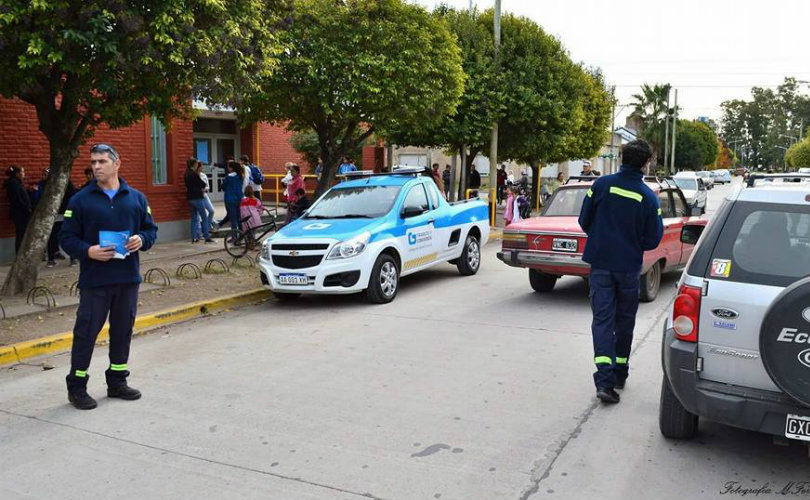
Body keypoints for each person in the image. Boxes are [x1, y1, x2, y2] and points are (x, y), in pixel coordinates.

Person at [59, 143, 158, 410]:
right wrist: (88, 251)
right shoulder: (80, 200)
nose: (96, 167)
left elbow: (151, 230)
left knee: (123, 331)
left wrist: (142, 239)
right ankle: (77, 386)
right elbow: (66, 238)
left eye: (102, 161)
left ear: (117, 163)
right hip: (95, 281)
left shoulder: (136, 198)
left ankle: (117, 381)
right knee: (86, 333)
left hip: (127, 279)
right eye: (93, 162)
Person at [577, 140, 663, 405]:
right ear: (645, 163)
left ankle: (604, 381)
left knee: (602, 321)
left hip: (601, 265)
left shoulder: (601, 185)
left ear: (622, 157)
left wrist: (603, 239)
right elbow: (652, 240)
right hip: (627, 268)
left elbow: (584, 220)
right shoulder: (648, 197)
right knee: (624, 322)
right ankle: (619, 374)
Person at [184, 158, 213, 244]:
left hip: (190, 197)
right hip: (197, 197)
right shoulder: (194, 174)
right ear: (194, 164)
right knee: (203, 217)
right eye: (196, 164)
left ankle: (194, 237)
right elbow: (202, 184)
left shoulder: (186, 173)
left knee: (193, 218)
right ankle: (207, 236)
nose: (197, 165)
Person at [4, 166, 32, 253]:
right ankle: (20, 254)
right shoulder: (13, 184)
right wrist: (27, 209)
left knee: (22, 234)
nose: (24, 174)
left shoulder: (17, 183)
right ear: (17, 174)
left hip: (21, 213)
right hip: (20, 214)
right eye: (22, 172)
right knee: (21, 235)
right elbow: (17, 199)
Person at [218, 161, 245, 239]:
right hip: (239, 198)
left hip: (230, 199)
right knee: (239, 218)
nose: (228, 168)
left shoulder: (229, 177)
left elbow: (223, 186)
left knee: (233, 219)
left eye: (229, 167)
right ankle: (242, 235)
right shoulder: (240, 176)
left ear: (232, 168)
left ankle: (234, 237)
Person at [197, 161, 216, 235]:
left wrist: (205, 189)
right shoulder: (195, 175)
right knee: (200, 215)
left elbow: (208, 186)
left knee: (211, 211)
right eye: (201, 166)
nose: (203, 167)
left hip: (204, 196)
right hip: (198, 197)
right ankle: (201, 232)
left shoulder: (204, 175)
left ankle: (207, 227)